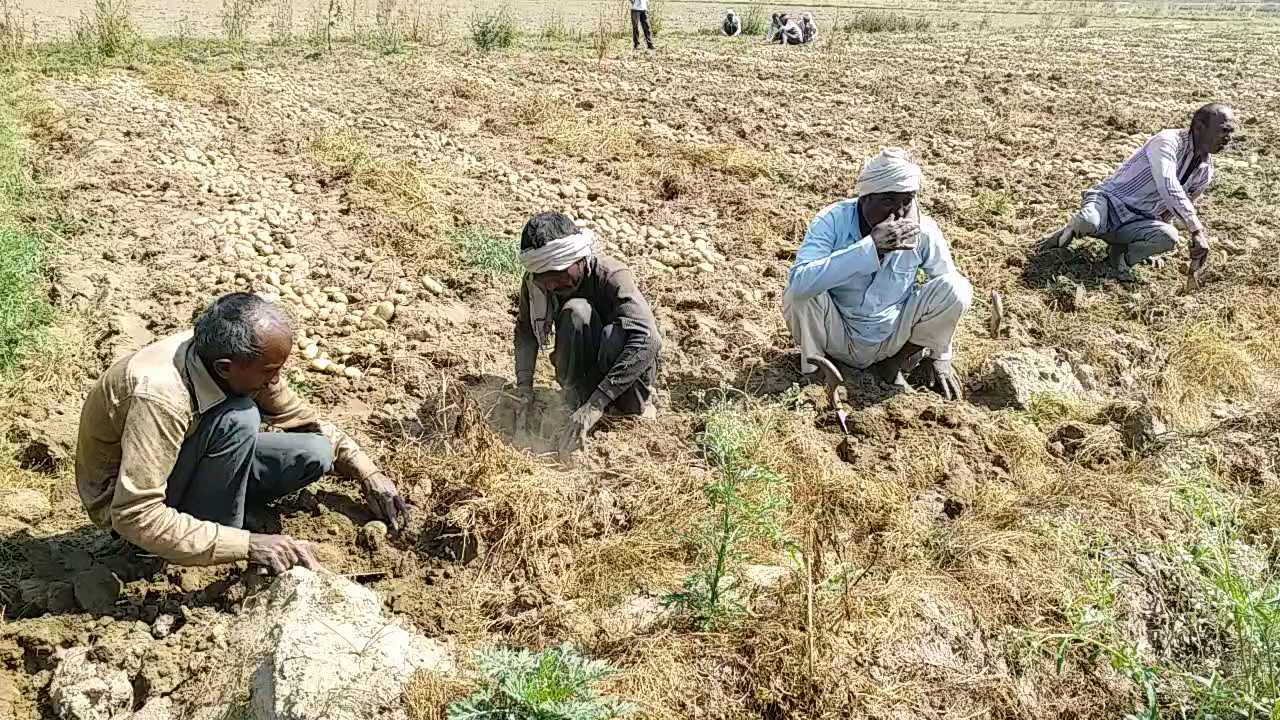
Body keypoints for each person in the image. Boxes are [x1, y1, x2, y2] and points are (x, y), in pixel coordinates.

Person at [75, 293, 407, 573]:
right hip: (125, 506)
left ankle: (216, 517)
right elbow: (134, 514)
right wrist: (247, 545)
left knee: (314, 451)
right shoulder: (160, 396)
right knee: (241, 418)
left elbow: (306, 419)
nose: (275, 380)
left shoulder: (238, 364)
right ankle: (210, 532)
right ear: (225, 368)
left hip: (187, 455)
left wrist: (368, 472)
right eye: (270, 372)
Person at [783, 148, 973, 401]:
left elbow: (947, 289)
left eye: (907, 200)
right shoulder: (831, 220)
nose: (899, 213)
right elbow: (800, 283)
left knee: (957, 288)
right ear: (865, 198)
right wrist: (869, 248)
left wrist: (941, 356)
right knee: (801, 292)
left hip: (891, 337)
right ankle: (817, 373)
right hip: (836, 332)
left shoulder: (923, 230)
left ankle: (893, 366)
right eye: (888, 201)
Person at [512, 212, 661, 460]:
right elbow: (526, 332)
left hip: (622, 380)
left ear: (578, 258)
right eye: (543, 279)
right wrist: (524, 386)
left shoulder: (610, 276)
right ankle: (574, 400)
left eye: (558, 274)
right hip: (582, 378)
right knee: (576, 314)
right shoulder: (535, 285)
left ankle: (619, 409)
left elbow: (648, 339)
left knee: (604, 326)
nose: (551, 285)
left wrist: (594, 406)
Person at [1037, 103, 1235, 287]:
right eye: (1224, 131)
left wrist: (1155, 244)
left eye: (1231, 132)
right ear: (1199, 127)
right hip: (1109, 204)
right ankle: (1067, 232)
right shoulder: (1168, 141)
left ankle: (1117, 259)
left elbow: (1172, 211)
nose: (1228, 138)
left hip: (1138, 222)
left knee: (1169, 237)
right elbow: (1168, 185)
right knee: (1088, 222)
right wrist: (1197, 230)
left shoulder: (1205, 171)